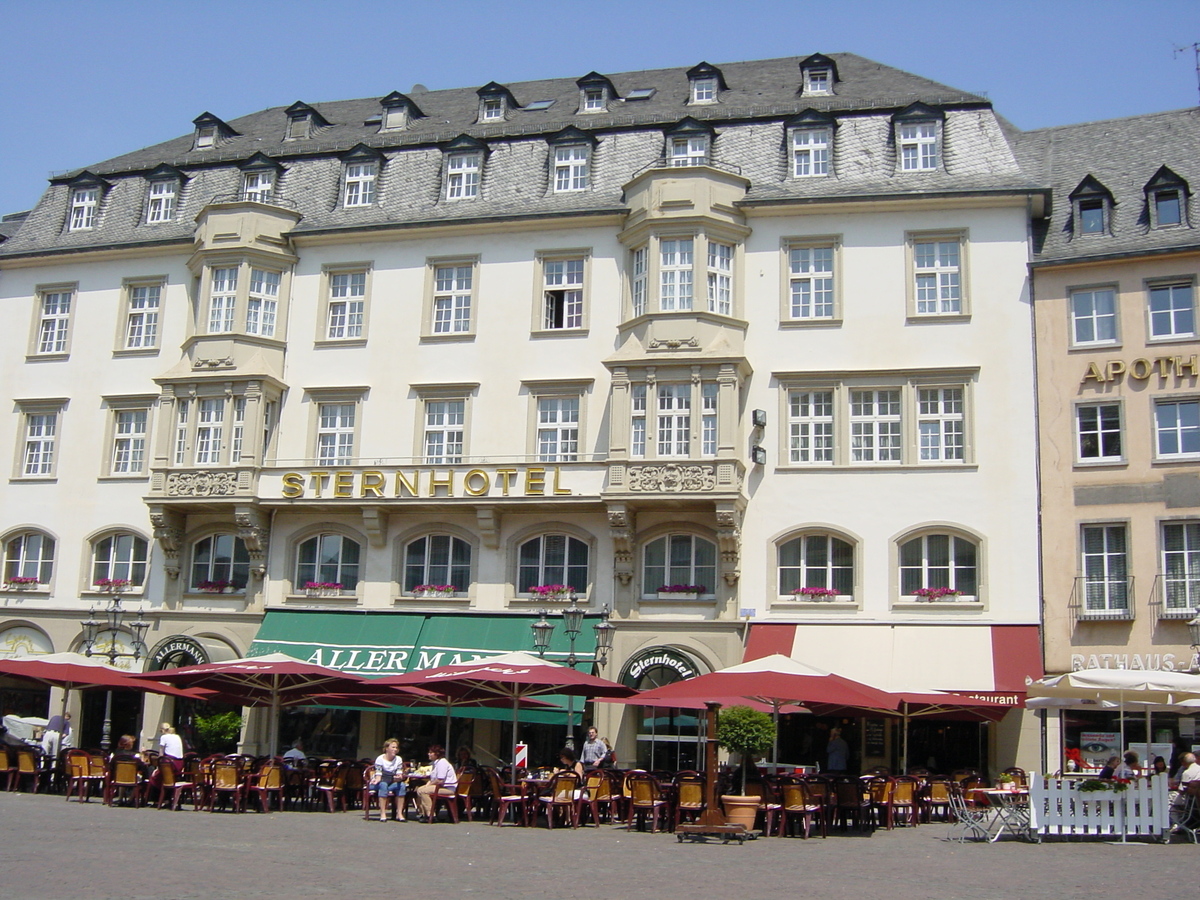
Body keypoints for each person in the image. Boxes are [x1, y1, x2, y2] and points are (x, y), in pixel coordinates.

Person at [415, 744, 457, 822]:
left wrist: (428, 786)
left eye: (431, 753)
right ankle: (423, 813)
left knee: (424, 791)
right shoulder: (435, 763)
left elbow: (440, 780)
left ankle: (431, 815)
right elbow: (433, 779)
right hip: (439, 786)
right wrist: (427, 785)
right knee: (419, 789)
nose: (428, 754)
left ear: (437, 754)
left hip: (447, 788)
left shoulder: (442, 763)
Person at [369, 738, 407, 822]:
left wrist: (399, 778)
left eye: (396, 748)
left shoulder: (398, 759)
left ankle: (399, 813)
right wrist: (375, 780)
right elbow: (378, 775)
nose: (395, 749)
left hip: (392, 781)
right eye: (393, 747)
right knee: (383, 785)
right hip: (379, 781)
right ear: (387, 748)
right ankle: (383, 813)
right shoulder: (380, 759)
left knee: (402, 786)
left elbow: (399, 773)